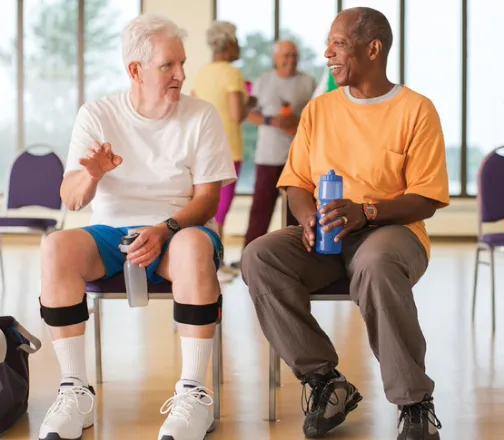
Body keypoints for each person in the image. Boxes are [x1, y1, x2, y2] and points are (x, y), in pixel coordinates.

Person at [241, 7, 448, 440]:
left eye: (338, 43)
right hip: (328, 235)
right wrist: (308, 219)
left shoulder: (416, 110)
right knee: (260, 255)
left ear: (372, 48)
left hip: (392, 234)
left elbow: (426, 198)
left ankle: (414, 403)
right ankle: (326, 382)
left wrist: (367, 212)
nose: (327, 53)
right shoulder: (320, 111)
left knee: (374, 263)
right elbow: (296, 183)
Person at [37, 14, 236, 440]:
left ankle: (193, 393)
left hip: (180, 231)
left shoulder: (201, 116)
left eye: (182, 64)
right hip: (109, 233)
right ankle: (75, 390)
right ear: (136, 71)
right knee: (56, 247)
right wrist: (92, 174)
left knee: (194, 249)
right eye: (169, 66)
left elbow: (207, 200)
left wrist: (164, 229)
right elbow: (71, 198)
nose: (181, 74)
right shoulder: (97, 115)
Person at [192, 21, 256, 280]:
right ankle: (212, 265)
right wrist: (250, 101)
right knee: (220, 208)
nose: (239, 45)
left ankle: (212, 261)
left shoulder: (202, 72)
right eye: (237, 40)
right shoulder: (231, 72)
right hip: (228, 150)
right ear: (228, 44)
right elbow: (237, 114)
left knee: (207, 206)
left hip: (203, 150)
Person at [239, 40, 316, 254]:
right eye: (286, 56)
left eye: (294, 55)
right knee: (260, 210)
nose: (290, 60)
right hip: (268, 156)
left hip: (298, 159)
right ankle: (249, 255)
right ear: (276, 58)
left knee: (297, 213)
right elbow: (248, 114)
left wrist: (297, 120)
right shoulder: (263, 81)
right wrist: (271, 121)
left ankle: (297, 256)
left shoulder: (308, 82)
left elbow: (319, 115)